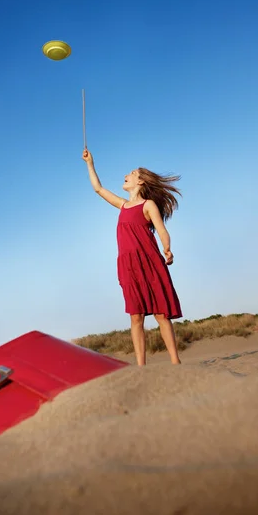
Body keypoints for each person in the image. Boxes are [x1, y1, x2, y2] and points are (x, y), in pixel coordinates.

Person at [82, 149, 183, 366]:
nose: (126, 175)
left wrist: (167, 249)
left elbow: (162, 230)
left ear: (141, 181)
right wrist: (90, 163)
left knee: (160, 314)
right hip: (129, 266)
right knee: (136, 316)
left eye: (131, 173)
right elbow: (98, 188)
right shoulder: (122, 205)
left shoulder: (148, 205)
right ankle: (140, 367)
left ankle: (176, 363)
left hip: (149, 262)